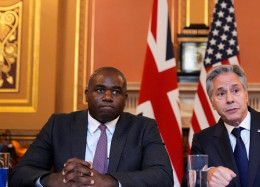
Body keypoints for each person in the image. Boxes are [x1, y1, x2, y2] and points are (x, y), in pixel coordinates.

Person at [9, 67, 173, 186]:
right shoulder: (58, 125)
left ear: (125, 98)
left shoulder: (143, 128)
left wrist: (110, 181)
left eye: (116, 92)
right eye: (100, 90)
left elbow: (163, 176)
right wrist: (53, 180)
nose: (108, 97)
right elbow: (20, 173)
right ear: (87, 95)